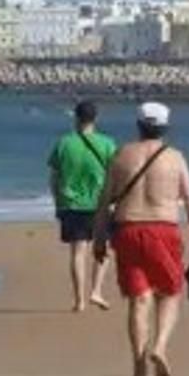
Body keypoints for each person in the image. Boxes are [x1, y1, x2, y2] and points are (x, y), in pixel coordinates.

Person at [93, 102, 189, 376]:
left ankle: (138, 364)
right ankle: (159, 347)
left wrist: (99, 239)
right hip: (163, 229)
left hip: (128, 231)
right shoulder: (175, 158)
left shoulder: (121, 155)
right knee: (170, 292)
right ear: (165, 127)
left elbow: (104, 202)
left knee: (139, 298)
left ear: (139, 125)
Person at [48, 99, 118, 313]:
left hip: (72, 204)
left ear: (76, 117)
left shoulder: (64, 143)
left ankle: (79, 300)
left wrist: (58, 202)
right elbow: (115, 176)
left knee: (78, 252)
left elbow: (54, 178)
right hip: (100, 203)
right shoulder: (107, 144)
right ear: (95, 118)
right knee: (103, 249)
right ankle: (96, 290)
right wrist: (115, 201)